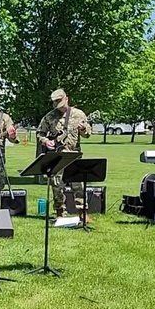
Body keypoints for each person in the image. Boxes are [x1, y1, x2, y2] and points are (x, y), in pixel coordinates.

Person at [36, 88, 91, 217]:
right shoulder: (49, 117)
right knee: (56, 184)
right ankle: (60, 211)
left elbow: (87, 134)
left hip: (74, 154)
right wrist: (45, 141)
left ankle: (82, 212)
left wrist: (83, 129)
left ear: (67, 99)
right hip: (57, 155)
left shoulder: (79, 114)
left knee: (79, 184)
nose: (58, 107)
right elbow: (40, 133)